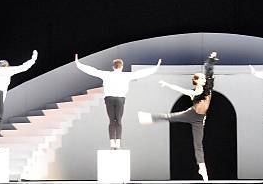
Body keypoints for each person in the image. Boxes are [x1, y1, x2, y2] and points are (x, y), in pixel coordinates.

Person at [138, 52, 218, 181]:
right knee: (170, 117)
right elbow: (179, 89)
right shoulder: (193, 93)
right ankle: (149, 118)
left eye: (204, 78)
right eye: (202, 78)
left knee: (198, 144)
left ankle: (202, 169)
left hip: (199, 119)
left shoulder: (208, 88)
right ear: (196, 81)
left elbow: (209, 70)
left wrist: (211, 59)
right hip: (191, 114)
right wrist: (167, 84)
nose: (204, 80)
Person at [75, 54, 161, 149]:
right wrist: (155, 68)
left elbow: (92, 71)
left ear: (113, 66)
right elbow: (141, 73)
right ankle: (118, 143)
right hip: (120, 99)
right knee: (118, 121)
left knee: (112, 121)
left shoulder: (107, 74)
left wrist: (78, 64)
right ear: (122, 66)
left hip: (109, 99)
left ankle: (112, 143)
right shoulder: (126, 75)